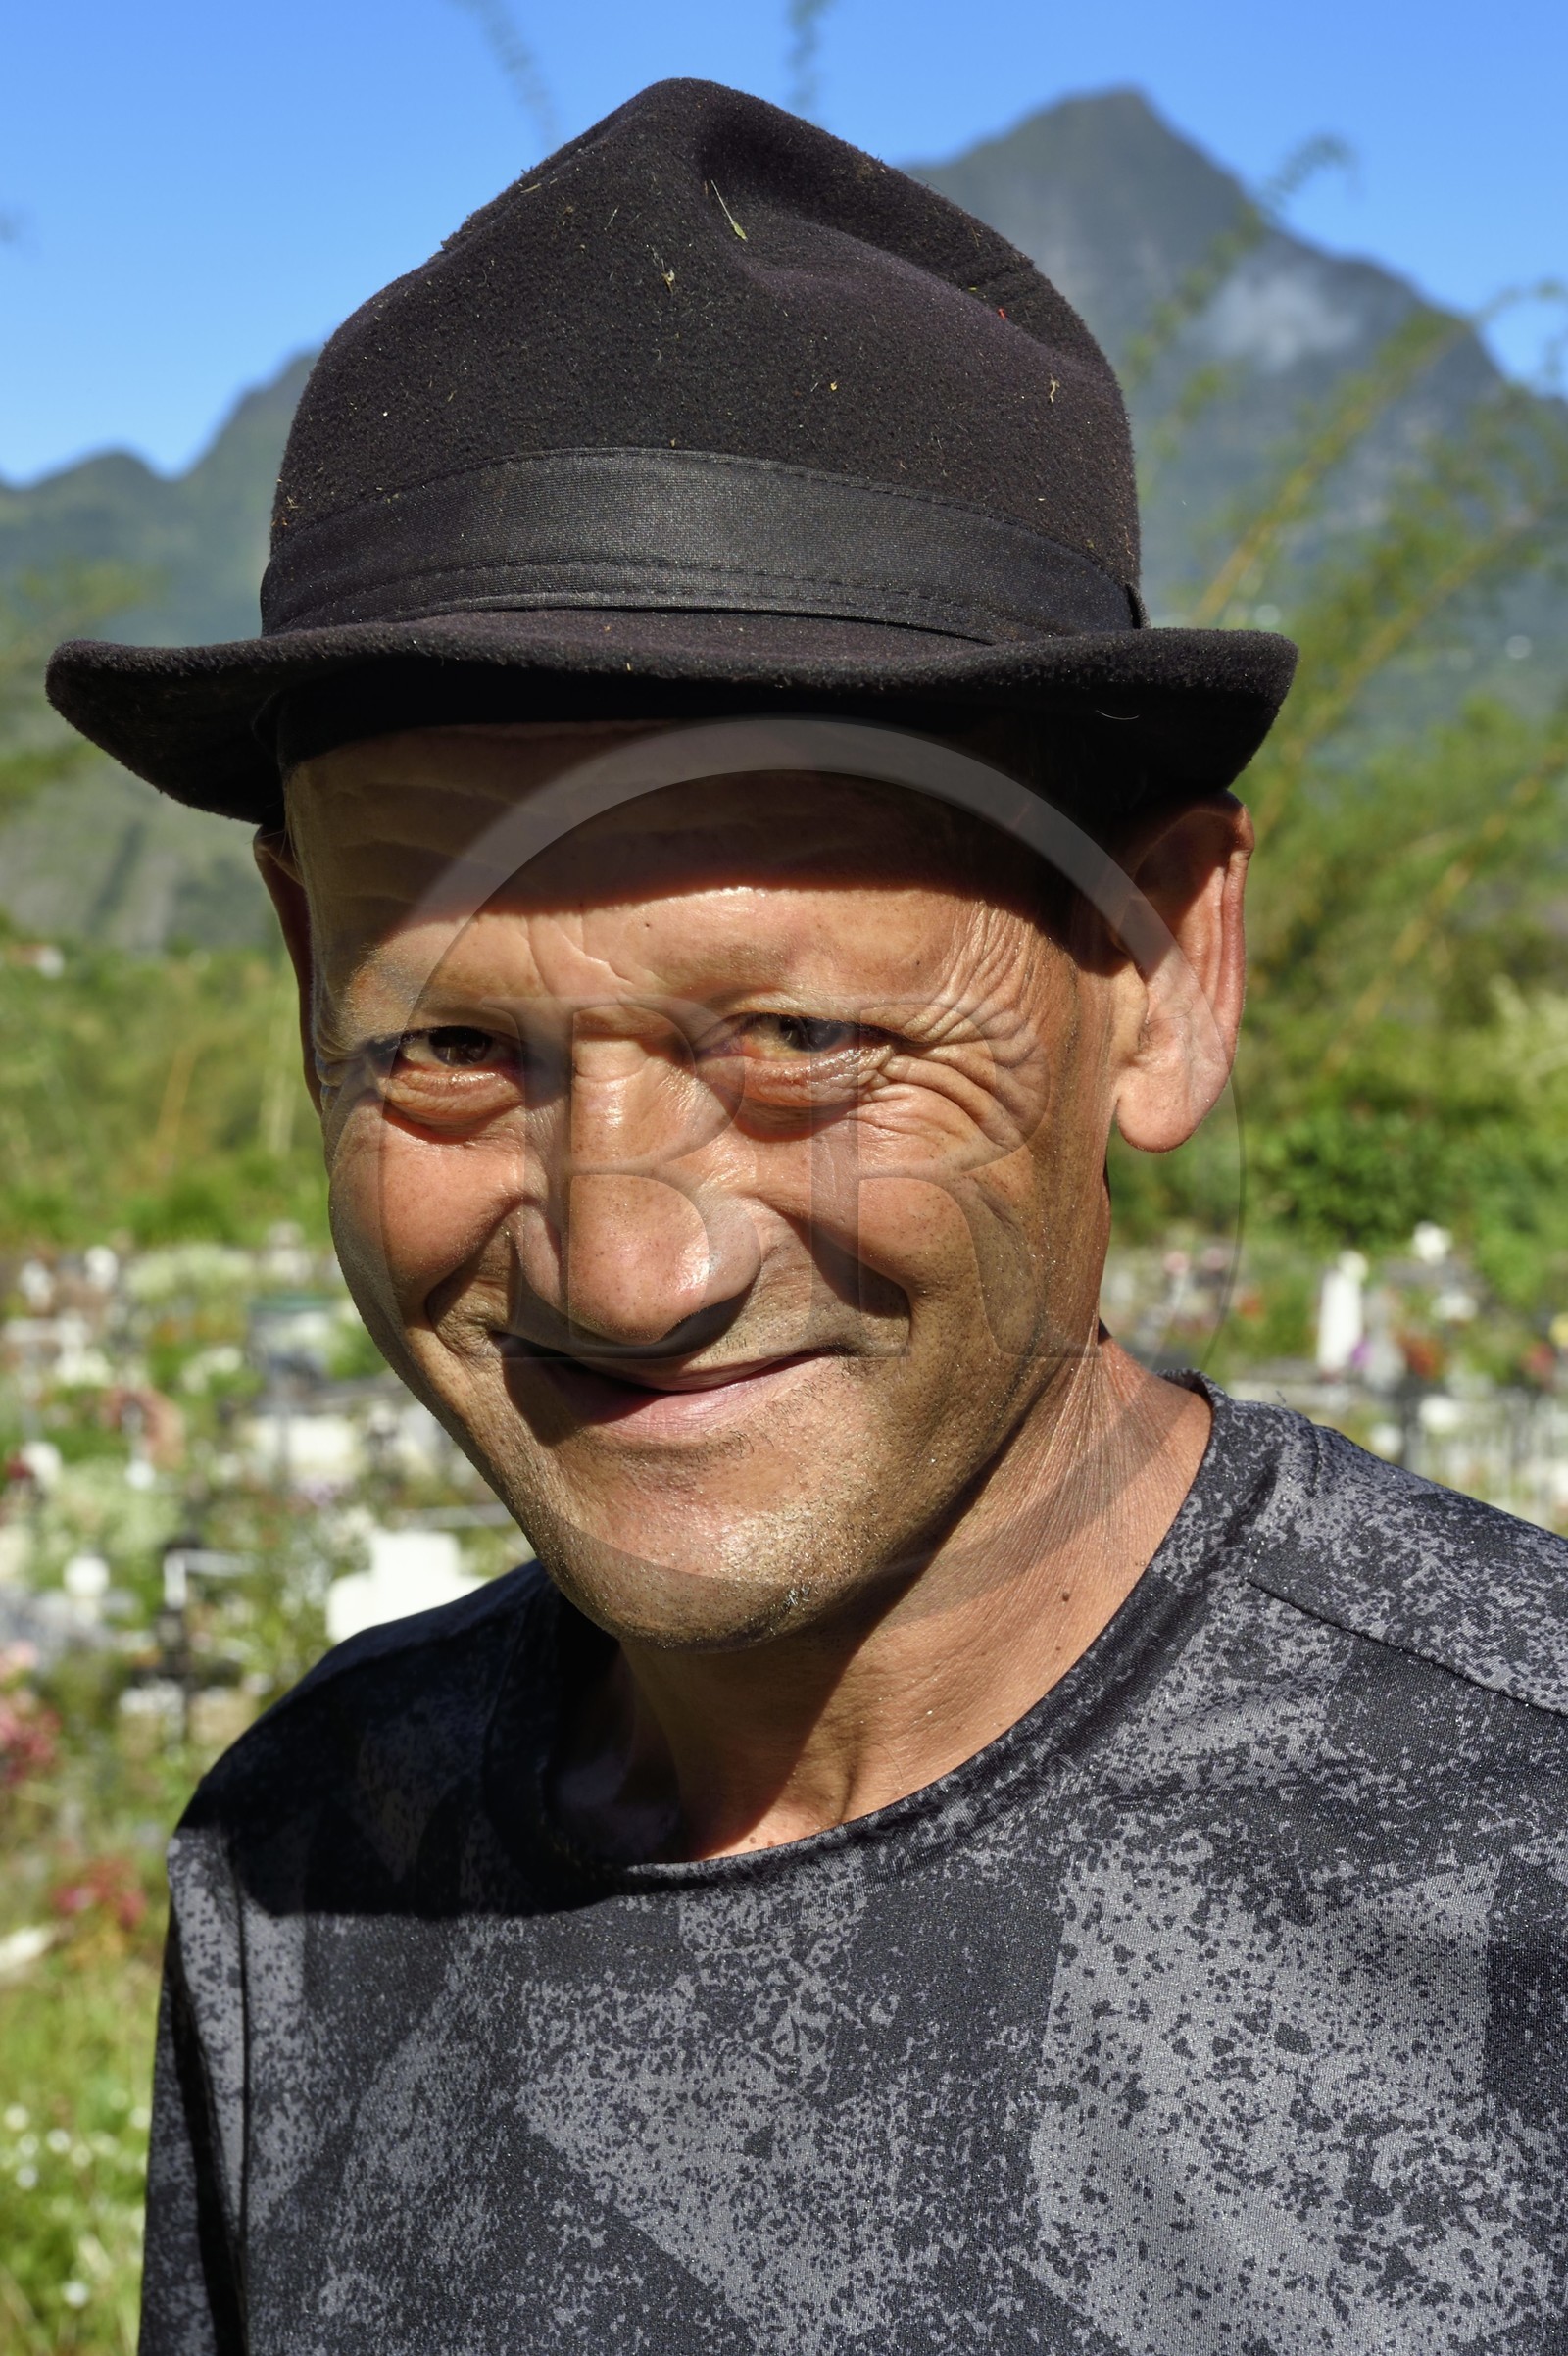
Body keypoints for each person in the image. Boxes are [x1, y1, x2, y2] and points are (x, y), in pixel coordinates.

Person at [49, 78, 1568, 2356]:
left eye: (799, 1040)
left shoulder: (1516, 1867)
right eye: (447, 1043)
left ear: (1156, 976)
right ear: (300, 977)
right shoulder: (307, 1858)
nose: (622, 1262)